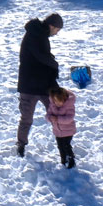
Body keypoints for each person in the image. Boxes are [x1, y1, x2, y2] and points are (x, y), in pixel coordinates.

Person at [15, 12, 63, 157]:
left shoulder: (40, 35)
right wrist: (54, 64)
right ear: (51, 26)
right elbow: (41, 57)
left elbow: (42, 57)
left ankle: (63, 144)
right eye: (57, 30)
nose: (56, 33)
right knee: (27, 118)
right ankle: (21, 145)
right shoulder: (35, 35)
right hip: (30, 85)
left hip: (41, 85)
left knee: (56, 114)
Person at [45, 85, 77, 168]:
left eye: (60, 102)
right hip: (57, 131)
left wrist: (57, 119)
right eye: (56, 101)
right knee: (60, 146)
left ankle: (71, 160)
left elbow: (69, 118)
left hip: (68, 131)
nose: (58, 104)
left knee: (66, 145)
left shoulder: (69, 106)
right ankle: (63, 159)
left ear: (64, 99)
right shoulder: (52, 105)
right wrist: (50, 118)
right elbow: (48, 114)